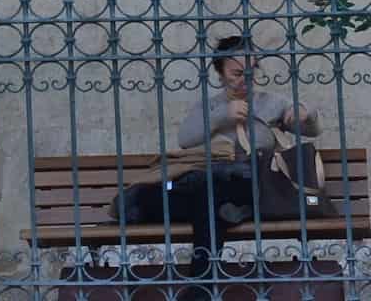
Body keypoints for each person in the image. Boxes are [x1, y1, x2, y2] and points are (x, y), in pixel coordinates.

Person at [114, 35, 323, 288]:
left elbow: (312, 129)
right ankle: (226, 224)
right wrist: (221, 116)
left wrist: (303, 112)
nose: (244, 79)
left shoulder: (271, 102)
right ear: (220, 73)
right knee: (185, 194)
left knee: (209, 193)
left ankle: (201, 287)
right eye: (236, 73)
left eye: (250, 71)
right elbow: (185, 139)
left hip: (252, 184)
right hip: (206, 186)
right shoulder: (210, 106)